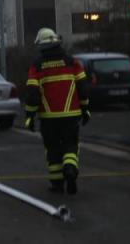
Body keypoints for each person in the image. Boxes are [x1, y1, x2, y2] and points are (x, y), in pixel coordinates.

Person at [23, 28, 91, 195]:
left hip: (48, 117)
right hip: (71, 115)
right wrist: (85, 109)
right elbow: (83, 88)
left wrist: (29, 116)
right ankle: (70, 168)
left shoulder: (36, 66)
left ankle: (57, 183)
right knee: (71, 144)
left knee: (52, 148)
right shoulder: (72, 62)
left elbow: (32, 94)